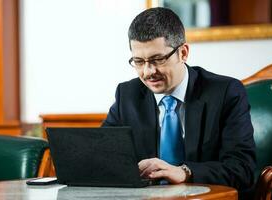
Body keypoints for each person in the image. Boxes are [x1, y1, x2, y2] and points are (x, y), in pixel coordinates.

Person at [102, 7, 256, 199]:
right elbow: (103, 156)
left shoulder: (226, 93)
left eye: (157, 59)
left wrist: (185, 172)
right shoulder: (127, 95)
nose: (148, 72)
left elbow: (242, 170)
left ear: (183, 53)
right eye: (139, 61)